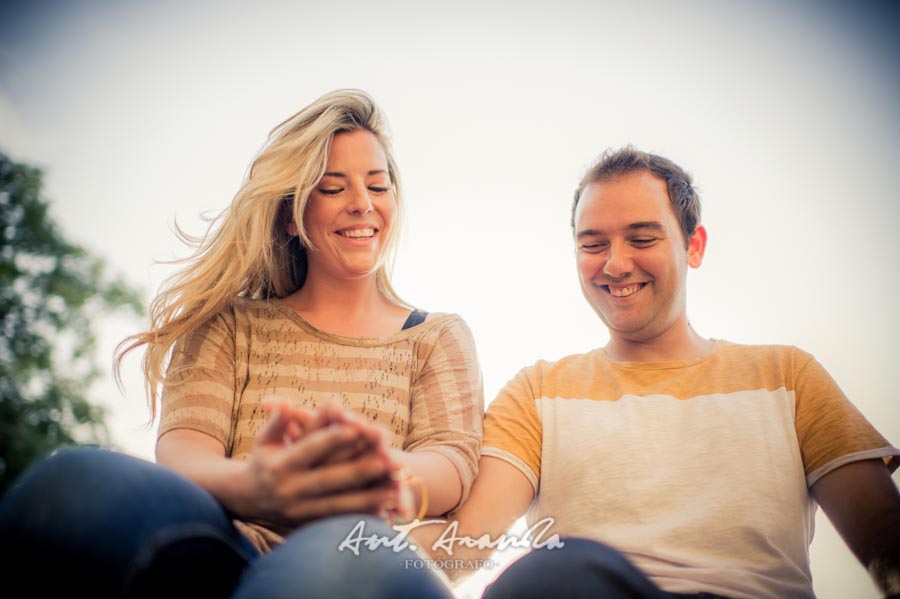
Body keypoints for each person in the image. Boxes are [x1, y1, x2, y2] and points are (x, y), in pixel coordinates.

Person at [0, 89, 483, 597]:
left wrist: (350, 474)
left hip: (359, 557)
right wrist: (262, 485)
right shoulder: (229, 325)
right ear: (293, 216)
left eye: (378, 186)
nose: (362, 204)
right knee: (73, 480)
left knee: (331, 561)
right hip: (228, 546)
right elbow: (185, 453)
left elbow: (451, 465)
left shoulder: (436, 336)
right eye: (333, 188)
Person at [419, 147, 900, 599]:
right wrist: (354, 520)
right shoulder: (538, 392)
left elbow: (888, 547)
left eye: (642, 239)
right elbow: (461, 550)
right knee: (542, 573)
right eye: (592, 243)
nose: (615, 263)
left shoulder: (787, 376)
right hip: (581, 587)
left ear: (694, 246)